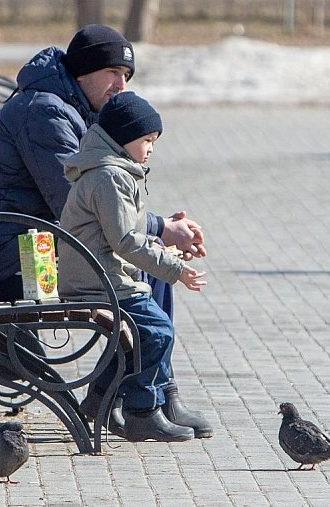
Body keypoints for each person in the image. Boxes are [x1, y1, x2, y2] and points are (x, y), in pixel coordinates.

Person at [0, 24, 210, 436]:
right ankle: (140, 401)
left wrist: (159, 232)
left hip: (21, 245)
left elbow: (99, 205)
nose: (121, 86)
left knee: (151, 264)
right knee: (143, 266)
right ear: (83, 72)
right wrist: (161, 228)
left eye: (126, 76)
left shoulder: (71, 107)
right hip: (1, 258)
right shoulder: (46, 112)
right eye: (113, 73)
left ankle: (153, 392)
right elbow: (75, 201)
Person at [59, 91, 208, 442]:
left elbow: (123, 233)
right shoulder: (109, 177)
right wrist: (173, 270)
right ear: (123, 138)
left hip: (99, 274)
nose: (151, 148)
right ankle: (143, 412)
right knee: (156, 331)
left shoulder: (114, 171)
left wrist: (163, 252)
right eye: (147, 140)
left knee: (139, 332)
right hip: (99, 281)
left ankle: (100, 398)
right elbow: (125, 240)